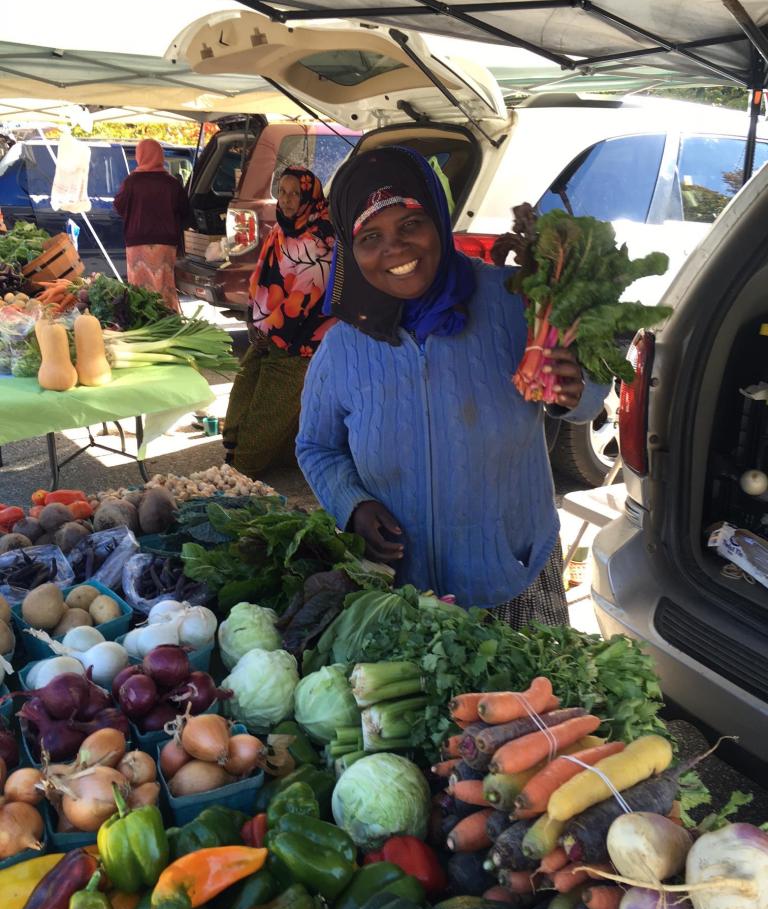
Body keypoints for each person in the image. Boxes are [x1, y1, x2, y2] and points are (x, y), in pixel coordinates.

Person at [296, 147, 608, 627]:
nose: (395, 249)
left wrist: (574, 389)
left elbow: (591, 398)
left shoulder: (515, 301)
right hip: (403, 596)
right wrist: (351, 504)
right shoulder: (343, 347)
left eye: (410, 225)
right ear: (349, 248)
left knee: (534, 701)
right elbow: (316, 446)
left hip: (511, 577)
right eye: (370, 236)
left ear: (439, 222)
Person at [223, 166, 336, 477]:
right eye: (282, 192)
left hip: (301, 338)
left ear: (309, 197)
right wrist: (255, 319)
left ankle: (244, 467)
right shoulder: (281, 229)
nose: (286, 200)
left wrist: (268, 331)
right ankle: (242, 448)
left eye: (294, 194)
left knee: (270, 406)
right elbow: (263, 277)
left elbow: (305, 299)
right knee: (245, 384)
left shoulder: (320, 241)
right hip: (269, 329)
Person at [114, 139, 191, 311]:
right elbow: (185, 211)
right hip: (165, 243)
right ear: (160, 156)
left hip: (137, 242)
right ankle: (168, 318)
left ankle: (142, 320)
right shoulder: (171, 183)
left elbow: (119, 206)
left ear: (139, 156)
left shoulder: (131, 182)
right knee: (164, 285)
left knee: (138, 286)